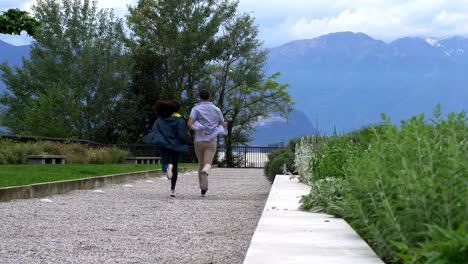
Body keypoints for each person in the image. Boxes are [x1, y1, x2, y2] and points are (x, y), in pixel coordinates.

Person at [143, 99, 188, 197]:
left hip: (164, 145)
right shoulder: (181, 120)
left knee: (165, 163)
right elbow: (181, 135)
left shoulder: (160, 120)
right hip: (176, 146)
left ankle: (167, 167)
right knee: (175, 166)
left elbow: (155, 131)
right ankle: (172, 189)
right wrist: (185, 141)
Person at [187, 90, 226, 197]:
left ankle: (203, 187)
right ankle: (206, 171)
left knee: (200, 164)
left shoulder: (196, 109)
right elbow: (223, 124)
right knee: (207, 163)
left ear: (200, 97)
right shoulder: (217, 109)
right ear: (210, 96)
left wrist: (187, 131)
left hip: (199, 139)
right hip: (212, 140)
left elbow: (190, 123)